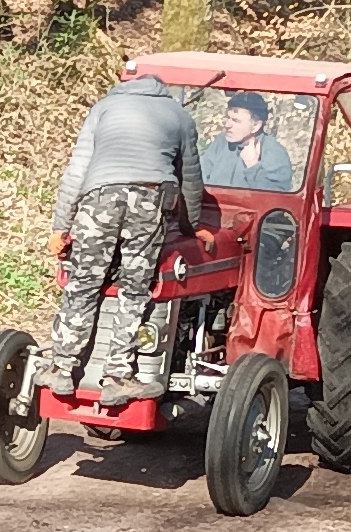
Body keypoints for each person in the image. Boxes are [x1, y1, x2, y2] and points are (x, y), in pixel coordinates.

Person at [43, 74, 211, 401]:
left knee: (83, 283)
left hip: (99, 199)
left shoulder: (105, 107)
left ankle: (61, 370)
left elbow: (76, 171)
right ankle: (118, 376)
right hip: (149, 201)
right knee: (135, 289)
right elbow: (191, 181)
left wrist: (61, 227)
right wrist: (190, 227)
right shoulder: (179, 116)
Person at [202, 91, 300, 191]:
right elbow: (201, 176)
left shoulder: (274, 153)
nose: (227, 125)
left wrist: (253, 166)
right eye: (228, 118)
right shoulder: (222, 142)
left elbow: (276, 196)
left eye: (236, 120)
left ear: (255, 126)